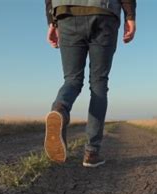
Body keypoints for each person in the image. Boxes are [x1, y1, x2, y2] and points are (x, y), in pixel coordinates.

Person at [44, 0, 137, 167]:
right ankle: (91, 152)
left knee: (72, 79)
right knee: (99, 83)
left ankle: (60, 110)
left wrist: (51, 21)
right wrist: (130, 16)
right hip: (104, 12)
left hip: (65, 12)